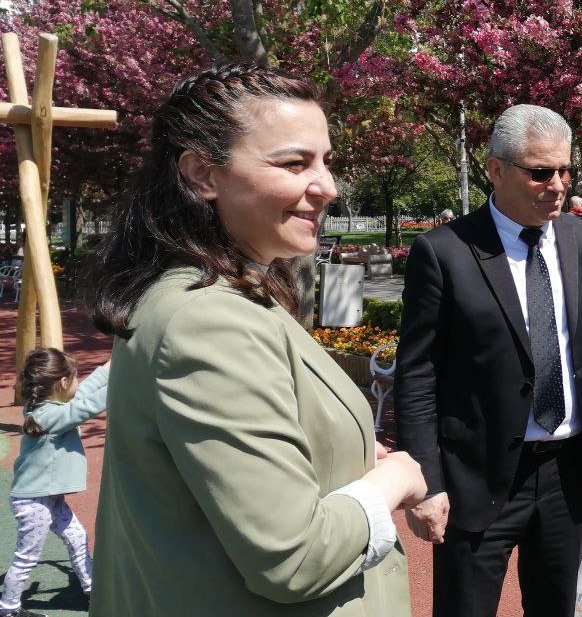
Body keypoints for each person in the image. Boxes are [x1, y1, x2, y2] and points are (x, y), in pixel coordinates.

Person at [89, 63, 426, 616]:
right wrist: (393, 480)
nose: (328, 187)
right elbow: (292, 558)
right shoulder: (208, 322)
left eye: (325, 162)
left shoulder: (225, 294)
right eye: (294, 163)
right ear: (202, 174)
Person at [396, 104, 582, 617]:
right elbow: (417, 375)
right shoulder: (443, 252)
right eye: (541, 172)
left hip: (568, 471)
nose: (558, 185)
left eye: (566, 171)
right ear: (496, 169)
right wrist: (425, 481)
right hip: (476, 476)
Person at [2, 348, 108, 617]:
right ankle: (9, 608)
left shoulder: (49, 405)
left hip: (48, 497)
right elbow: (84, 407)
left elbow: (80, 395)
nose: (77, 383)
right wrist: (121, 383)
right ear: (62, 384)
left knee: (77, 537)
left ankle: (92, 589)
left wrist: (111, 366)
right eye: (74, 379)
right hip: (34, 502)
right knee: (27, 556)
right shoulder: (48, 416)